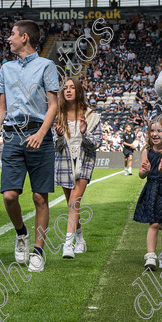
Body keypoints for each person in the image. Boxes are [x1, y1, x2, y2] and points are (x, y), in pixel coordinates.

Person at [0, 20, 59, 273]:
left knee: (39, 197)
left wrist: (41, 133)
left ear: (24, 37)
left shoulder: (47, 66)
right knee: (9, 196)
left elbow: (53, 105)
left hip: (40, 136)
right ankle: (21, 233)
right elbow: (1, 108)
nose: (8, 38)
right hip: (12, 136)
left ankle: (37, 251)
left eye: (12, 34)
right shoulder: (6, 68)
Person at [54, 78, 102, 259]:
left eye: (72, 87)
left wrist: (84, 133)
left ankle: (68, 245)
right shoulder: (57, 115)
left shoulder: (90, 115)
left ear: (79, 91)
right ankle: (80, 238)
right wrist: (59, 136)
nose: (68, 90)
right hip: (64, 162)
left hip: (85, 161)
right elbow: (55, 147)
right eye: (65, 88)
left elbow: (97, 143)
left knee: (74, 202)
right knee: (72, 204)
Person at [134, 116, 162, 271]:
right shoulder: (146, 151)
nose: (154, 134)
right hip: (153, 189)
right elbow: (141, 174)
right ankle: (151, 255)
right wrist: (144, 171)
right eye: (152, 130)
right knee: (153, 223)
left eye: (159, 131)